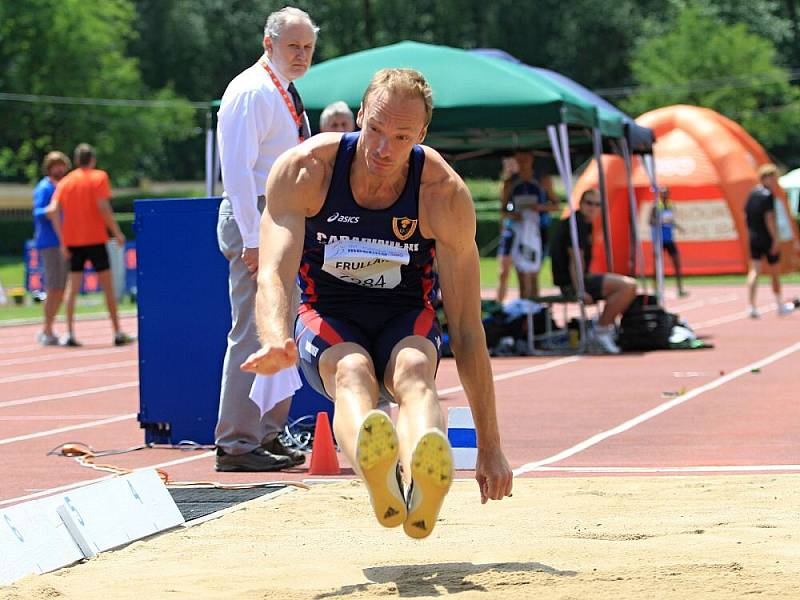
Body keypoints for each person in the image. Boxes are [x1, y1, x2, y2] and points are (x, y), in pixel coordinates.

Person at [242, 68, 514, 538]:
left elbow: (468, 329)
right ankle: (379, 475)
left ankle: (427, 464)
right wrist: (274, 338)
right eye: (375, 130)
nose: (383, 149)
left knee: (411, 369)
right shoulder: (307, 171)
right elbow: (273, 272)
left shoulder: (443, 194)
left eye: (401, 137)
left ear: (422, 135)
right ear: (360, 115)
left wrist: (490, 445)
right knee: (352, 371)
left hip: (405, 314)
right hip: (329, 316)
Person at [214, 6, 318, 472]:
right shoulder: (251, 91)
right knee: (253, 331)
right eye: (293, 45)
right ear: (268, 43)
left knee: (280, 329)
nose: (301, 55)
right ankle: (237, 442)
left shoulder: (284, 91)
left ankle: (268, 433)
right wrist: (252, 240)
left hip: (283, 217)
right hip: (257, 215)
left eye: (308, 47)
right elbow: (236, 170)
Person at [46, 144, 134, 348]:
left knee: (72, 288)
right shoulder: (99, 177)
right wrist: (117, 232)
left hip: (73, 241)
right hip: (95, 239)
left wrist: (62, 240)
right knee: (107, 287)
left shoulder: (66, 181)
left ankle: (69, 332)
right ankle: (117, 331)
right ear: (92, 160)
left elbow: (52, 211)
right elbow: (103, 206)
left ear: (76, 161)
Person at [550, 189, 636, 354]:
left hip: (579, 279)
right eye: (589, 203)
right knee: (627, 286)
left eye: (597, 205)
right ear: (581, 204)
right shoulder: (577, 225)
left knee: (624, 286)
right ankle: (601, 329)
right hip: (571, 282)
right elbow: (575, 261)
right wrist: (580, 290)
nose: (592, 208)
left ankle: (603, 325)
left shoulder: (583, 223)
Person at [496, 150, 558, 302]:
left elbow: (555, 204)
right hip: (515, 230)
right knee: (513, 271)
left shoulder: (542, 179)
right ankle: (506, 307)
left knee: (533, 271)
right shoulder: (510, 182)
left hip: (536, 231)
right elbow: (503, 211)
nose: (523, 161)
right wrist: (513, 215)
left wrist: (539, 208)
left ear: (531, 158)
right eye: (519, 158)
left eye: (526, 157)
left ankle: (534, 309)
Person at [745, 164, 795, 318]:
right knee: (774, 271)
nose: (775, 181)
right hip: (766, 237)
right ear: (765, 178)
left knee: (755, 270)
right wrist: (775, 239)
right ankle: (779, 304)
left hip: (753, 237)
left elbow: (746, 217)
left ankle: (752, 306)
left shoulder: (751, 194)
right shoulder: (768, 196)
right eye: (773, 178)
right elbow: (769, 219)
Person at [32, 151, 71, 345]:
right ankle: (46, 329)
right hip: (49, 242)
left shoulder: (63, 187)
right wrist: (51, 210)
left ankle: (49, 327)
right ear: (49, 167)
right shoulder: (45, 187)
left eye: (62, 165)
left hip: (63, 242)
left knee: (61, 288)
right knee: (54, 286)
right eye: (56, 165)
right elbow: (38, 212)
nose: (59, 168)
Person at [649, 187, 687, 297]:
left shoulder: (671, 205)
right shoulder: (656, 206)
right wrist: (660, 221)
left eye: (666, 193)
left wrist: (679, 227)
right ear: (660, 194)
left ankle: (680, 289)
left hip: (669, 239)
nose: (665, 195)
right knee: (657, 265)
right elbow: (650, 221)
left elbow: (671, 220)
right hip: (659, 240)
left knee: (677, 263)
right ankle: (655, 290)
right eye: (663, 193)